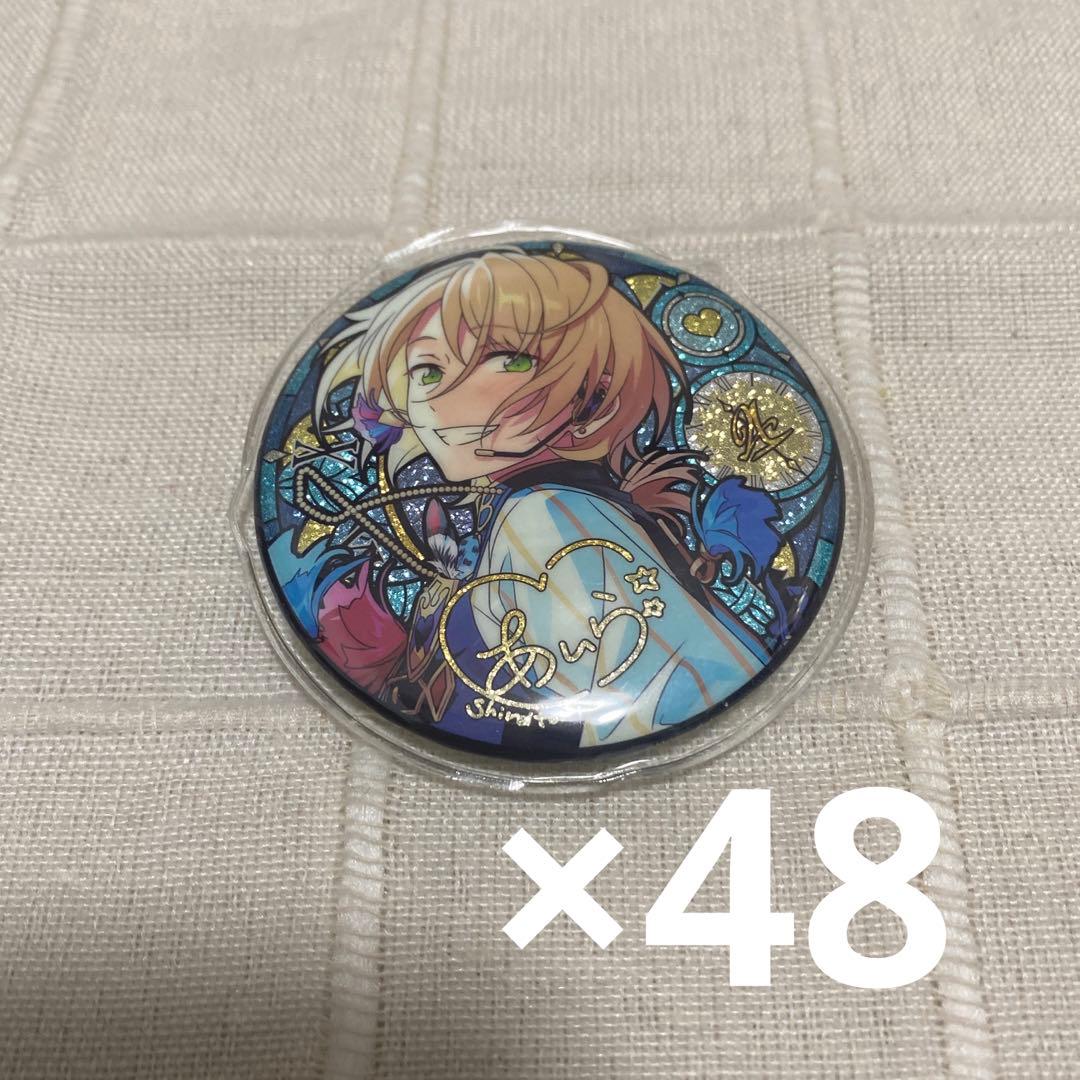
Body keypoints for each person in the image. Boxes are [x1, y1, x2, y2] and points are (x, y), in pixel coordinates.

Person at [308, 247, 770, 752]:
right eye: (428, 370)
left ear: (595, 401)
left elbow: (653, 690)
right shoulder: (523, 512)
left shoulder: (550, 515)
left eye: (507, 359)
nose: (440, 399)